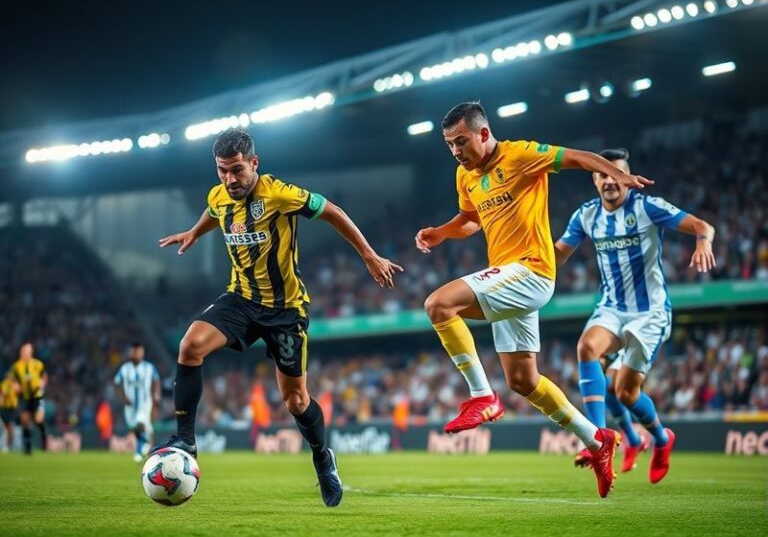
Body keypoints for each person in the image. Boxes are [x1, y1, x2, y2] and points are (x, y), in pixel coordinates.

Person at [153, 127, 402, 507]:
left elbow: (331, 211)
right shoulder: (219, 195)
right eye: (222, 170)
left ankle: (322, 456)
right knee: (190, 346)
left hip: (285, 310)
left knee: (296, 400)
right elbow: (215, 210)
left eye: (237, 170)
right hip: (240, 299)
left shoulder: (278, 193)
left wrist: (368, 254)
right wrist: (195, 232)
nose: (230, 179)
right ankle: (185, 438)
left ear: (254, 163)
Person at [415, 102, 653, 497]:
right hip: (508, 278)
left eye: (461, 141)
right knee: (523, 380)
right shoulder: (465, 175)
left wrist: (615, 174)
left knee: (438, 304)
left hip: (532, 270)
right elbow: (471, 219)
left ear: (484, 134)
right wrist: (441, 232)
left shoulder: (521, 155)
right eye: (449, 145)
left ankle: (481, 396)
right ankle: (597, 440)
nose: (456, 151)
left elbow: (578, 157)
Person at [555, 147, 716, 483]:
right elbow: (557, 256)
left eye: (616, 175)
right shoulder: (585, 215)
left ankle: (660, 438)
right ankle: (600, 437)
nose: (609, 181)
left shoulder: (647, 207)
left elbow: (703, 225)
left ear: (628, 178)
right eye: (602, 174)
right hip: (612, 307)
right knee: (586, 348)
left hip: (649, 313)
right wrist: (527, 262)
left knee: (625, 393)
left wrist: (703, 242)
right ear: (594, 179)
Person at [114, 342, 160, 462]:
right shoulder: (125, 369)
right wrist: (122, 397)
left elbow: (156, 381)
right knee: (137, 429)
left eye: (138, 351)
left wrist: (156, 396)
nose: (136, 354)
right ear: (130, 352)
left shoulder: (149, 368)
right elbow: (117, 382)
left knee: (141, 424)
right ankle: (148, 450)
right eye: (134, 351)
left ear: (142, 352)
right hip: (129, 405)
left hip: (145, 403)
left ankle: (140, 451)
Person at [10, 342, 48, 455]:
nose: (25, 353)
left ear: (31, 352)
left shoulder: (38, 364)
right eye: (24, 350)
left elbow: (44, 376)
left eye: (27, 350)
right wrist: (15, 386)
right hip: (24, 397)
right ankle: (28, 446)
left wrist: (42, 383)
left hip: (37, 395)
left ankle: (44, 438)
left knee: (38, 420)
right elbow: (13, 379)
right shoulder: (17, 366)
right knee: (25, 420)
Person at [1, 372, 20, 452]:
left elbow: (19, 391)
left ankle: (9, 446)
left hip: (12, 408)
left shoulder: (15, 385)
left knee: (10, 427)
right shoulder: (3, 384)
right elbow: (2, 394)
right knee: (6, 428)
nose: (10, 378)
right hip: (4, 408)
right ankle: (8, 445)